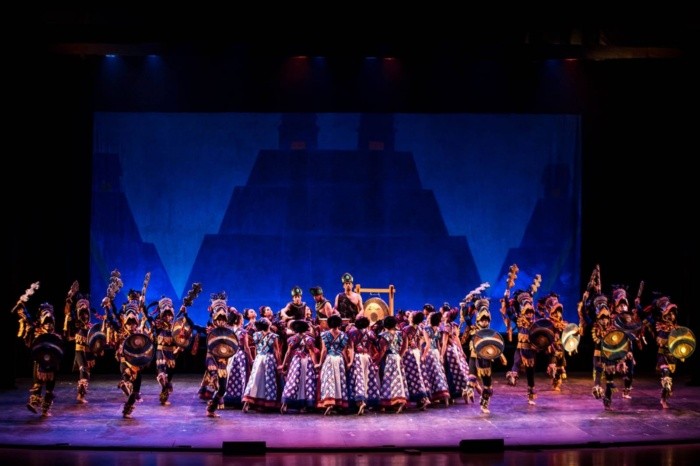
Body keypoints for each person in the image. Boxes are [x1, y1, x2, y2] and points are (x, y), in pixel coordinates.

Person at [105, 289, 152, 419]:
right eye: (129, 323)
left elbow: (146, 348)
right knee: (129, 384)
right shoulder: (121, 331)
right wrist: (108, 306)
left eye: (133, 323)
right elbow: (112, 318)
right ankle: (125, 384)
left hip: (136, 366)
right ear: (125, 322)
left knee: (135, 392)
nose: (131, 326)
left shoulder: (139, 334)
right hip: (125, 363)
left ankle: (127, 409)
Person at [15, 300, 63, 417]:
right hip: (39, 364)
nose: (48, 325)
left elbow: (59, 350)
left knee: (49, 388)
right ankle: (34, 403)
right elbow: (29, 321)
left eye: (50, 324)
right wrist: (22, 308)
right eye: (46, 323)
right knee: (37, 385)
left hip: (52, 365)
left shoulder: (55, 336)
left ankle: (45, 410)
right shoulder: (38, 332)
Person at [464, 296, 508, 413]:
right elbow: (467, 317)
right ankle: (468, 391)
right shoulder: (474, 329)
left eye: (487, 320)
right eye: (482, 320)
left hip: (486, 361)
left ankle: (484, 403)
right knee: (471, 378)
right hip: (474, 357)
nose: (485, 322)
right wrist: (466, 304)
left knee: (487, 384)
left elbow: (496, 346)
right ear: (478, 320)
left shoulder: (490, 333)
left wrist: (501, 356)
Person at [62, 281, 98, 404]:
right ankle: (80, 395)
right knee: (83, 369)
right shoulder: (75, 322)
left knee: (87, 374)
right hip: (79, 350)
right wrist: (69, 298)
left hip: (89, 351)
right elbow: (68, 313)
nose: (85, 316)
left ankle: (81, 394)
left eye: (86, 314)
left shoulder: (90, 325)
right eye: (82, 313)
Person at [503, 290, 540, 405]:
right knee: (516, 362)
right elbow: (509, 312)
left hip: (531, 350)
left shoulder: (535, 323)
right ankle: (512, 376)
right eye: (527, 312)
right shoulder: (519, 320)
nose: (529, 315)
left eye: (531, 313)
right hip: (521, 348)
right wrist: (506, 299)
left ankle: (531, 394)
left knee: (530, 373)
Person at [242, 317, 282, 412]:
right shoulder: (273, 336)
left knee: (255, 380)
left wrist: (255, 358)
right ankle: (266, 402)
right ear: (268, 325)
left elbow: (256, 348)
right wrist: (279, 364)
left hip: (259, 358)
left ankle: (248, 401)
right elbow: (276, 351)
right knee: (268, 380)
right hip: (269, 358)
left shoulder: (256, 335)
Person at [279, 319, 319, 413]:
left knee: (293, 381)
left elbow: (288, 353)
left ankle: (286, 402)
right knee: (306, 382)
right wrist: (315, 364)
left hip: (296, 361)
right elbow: (312, 353)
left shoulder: (292, 339)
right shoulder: (309, 339)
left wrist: (283, 365)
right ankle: (304, 405)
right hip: (307, 362)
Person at [316, 314, 352, 415]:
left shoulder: (324, 334)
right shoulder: (343, 335)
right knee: (339, 381)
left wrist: (320, 362)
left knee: (329, 381)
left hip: (329, 359)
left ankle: (329, 403)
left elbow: (324, 350)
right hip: (339, 359)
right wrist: (347, 362)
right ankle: (339, 403)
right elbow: (344, 351)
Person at [346, 316, 381, 415]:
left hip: (357, 357)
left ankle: (360, 401)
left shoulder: (352, 333)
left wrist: (350, 362)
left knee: (358, 379)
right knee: (366, 379)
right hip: (367, 357)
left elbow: (351, 348)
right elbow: (377, 346)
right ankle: (366, 399)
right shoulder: (370, 333)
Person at [376, 315, 409, 413]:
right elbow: (405, 346)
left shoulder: (384, 335)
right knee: (398, 379)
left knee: (388, 380)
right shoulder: (399, 334)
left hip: (389, 358)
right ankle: (400, 400)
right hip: (397, 357)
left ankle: (389, 402)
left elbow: (383, 350)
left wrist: (377, 362)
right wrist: (400, 355)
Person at [440, 303, 471, 404]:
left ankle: (452, 395)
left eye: (445, 315)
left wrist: (441, 356)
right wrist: (461, 351)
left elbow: (444, 343)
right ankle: (464, 391)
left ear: (447, 317)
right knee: (459, 372)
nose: (443, 315)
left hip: (449, 352)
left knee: (450, 373)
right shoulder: (454, 325)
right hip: (455, 350)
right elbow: (457, 340)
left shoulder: (446, 327)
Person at [400, 311, 432, 410]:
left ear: (411, 318)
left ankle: (423, 398)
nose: (409, 315)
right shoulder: (418, 328)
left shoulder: (406, 329)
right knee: (419, 375)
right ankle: (422, 399)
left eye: (410, 315)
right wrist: (420, 353)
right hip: (417, 352)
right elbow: (418, 343)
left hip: (409, 354)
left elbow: (405, 346)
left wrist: (400, 356)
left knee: (414, 377)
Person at [421, 310, 451, 406]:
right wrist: (441, 355)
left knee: (430, 374)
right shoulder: (437, 329)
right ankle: (443, 396)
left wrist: (423, 356)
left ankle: (432, 395)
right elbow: (438, 344)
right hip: (436, 352)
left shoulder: (426, 329)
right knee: (439, 373)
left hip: (429, 353)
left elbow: (428, 344)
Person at [224, 311, 254, 408]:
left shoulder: (229, 331)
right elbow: (246, 348)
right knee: (243, 376)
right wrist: (251, 360)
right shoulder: (243, 332)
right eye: (241, 319)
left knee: (231, 376)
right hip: (241, 355)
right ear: (238, 320)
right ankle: (241, 398)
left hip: (231, 355)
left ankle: (230, 397)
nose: (242, 321)